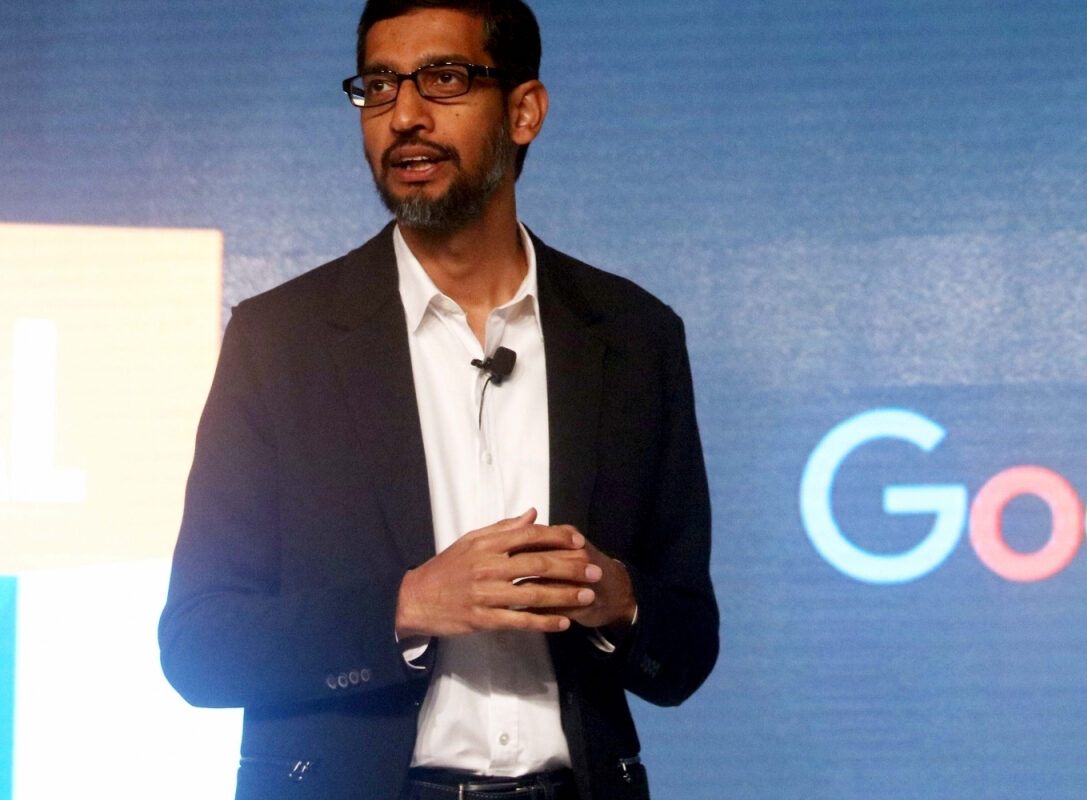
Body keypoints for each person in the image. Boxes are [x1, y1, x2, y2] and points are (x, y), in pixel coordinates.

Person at [157, 1, 717, 798]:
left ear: (524, 111)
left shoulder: (633, 337)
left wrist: (617, 598)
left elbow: (686, 651)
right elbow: (199, 645)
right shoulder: (280, 341)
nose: (404, 115)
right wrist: (407, 605)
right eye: (378, 86)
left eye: (444, 79)